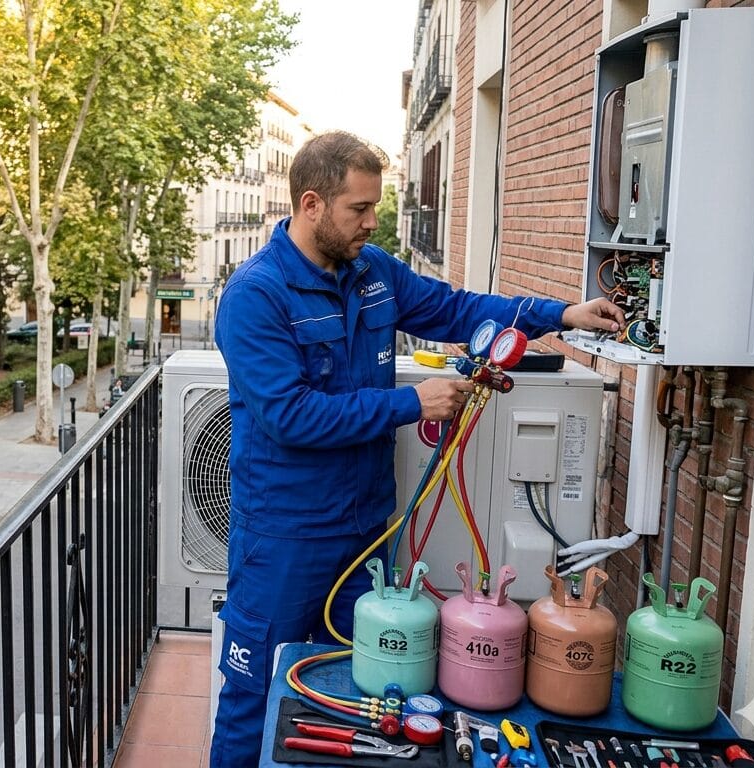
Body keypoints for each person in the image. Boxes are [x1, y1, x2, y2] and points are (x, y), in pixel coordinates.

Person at [209, 131, 623, 767]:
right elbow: (289, 416)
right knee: (252, 693)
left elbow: (458, 309)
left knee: (352, 687)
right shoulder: (256, 296)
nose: (372, 224)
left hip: (367, 532)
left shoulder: (374, 273)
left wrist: (562, 314)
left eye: (375, 207)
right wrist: (413, 404)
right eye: (359, 209)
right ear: (312, 204)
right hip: (284, 538)